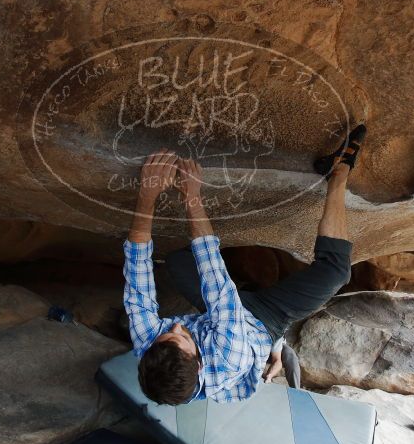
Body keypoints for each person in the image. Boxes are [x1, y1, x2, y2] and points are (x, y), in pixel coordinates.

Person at [123, 126, 365, 405]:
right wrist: (191, 196)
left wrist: (147, 194)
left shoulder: (149, 347)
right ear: (199, 363)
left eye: (166, 334)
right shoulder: (229, 355)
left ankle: (247, 289)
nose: (177, 327)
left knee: (178, 262)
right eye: (182, 338)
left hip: (217, 318)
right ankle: (338, 174)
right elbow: (214, 275)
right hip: (267, 319)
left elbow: (137, 271)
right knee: (336, 272)